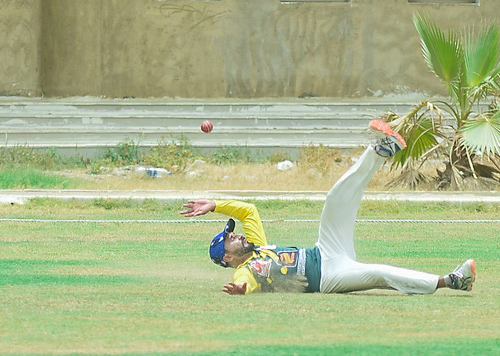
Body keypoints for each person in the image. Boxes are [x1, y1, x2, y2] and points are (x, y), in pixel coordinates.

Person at [181, 119, 477, 295]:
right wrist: (242, 290)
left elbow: (248, 211)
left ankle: (380, 150)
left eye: (232, 233)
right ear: (228, 258)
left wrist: (215, 204)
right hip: (329, 277)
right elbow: (245, 282)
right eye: (230, 239)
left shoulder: (258, 246)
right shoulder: (246, 270)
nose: (236, 235)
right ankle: (452, 281)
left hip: (325, 250)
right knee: (379, 273)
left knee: (335, 198)